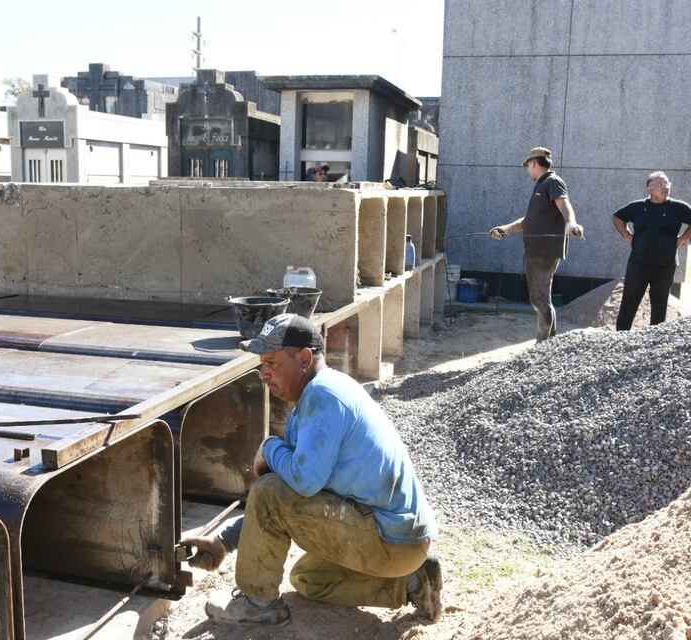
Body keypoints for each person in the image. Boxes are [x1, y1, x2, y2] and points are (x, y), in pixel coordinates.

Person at [180, 314, 441, 626]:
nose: (263, 373)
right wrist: (223, 543)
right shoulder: (320, 394)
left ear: (304, 358)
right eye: (262, 364)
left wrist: (269, 448)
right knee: (308, 579)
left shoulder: (323, 395)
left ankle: (258, 603)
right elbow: (286, 489)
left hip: (390, 539)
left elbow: (299, 484)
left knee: (269, 491)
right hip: (402, 543)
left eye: (272, 362)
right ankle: (413, 583)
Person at [490, 147, 584, 341]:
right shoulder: (541, 186)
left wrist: (572, 223)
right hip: (537, 250)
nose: (528, 170)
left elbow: (565, 204)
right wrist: (505, 229)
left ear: (533, 163)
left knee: (540, 301)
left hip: (544, 251)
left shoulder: (553, 181)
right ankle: (549, 343)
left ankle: (542, 344)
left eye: (528, 166)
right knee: (542, 299)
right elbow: (528, 221)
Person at [612, 171, 691, 330]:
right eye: (660, 183)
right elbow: (617, 217)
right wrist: (627, 236)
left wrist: (683, 238)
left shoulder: (677, 207)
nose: (665, 186)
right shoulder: (638, 206)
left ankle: (656, 337)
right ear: (649, 188)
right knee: (629, 301)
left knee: (660, 304)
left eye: (667, 183)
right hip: (638, 263)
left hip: (665, 264)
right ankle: (621, 334)